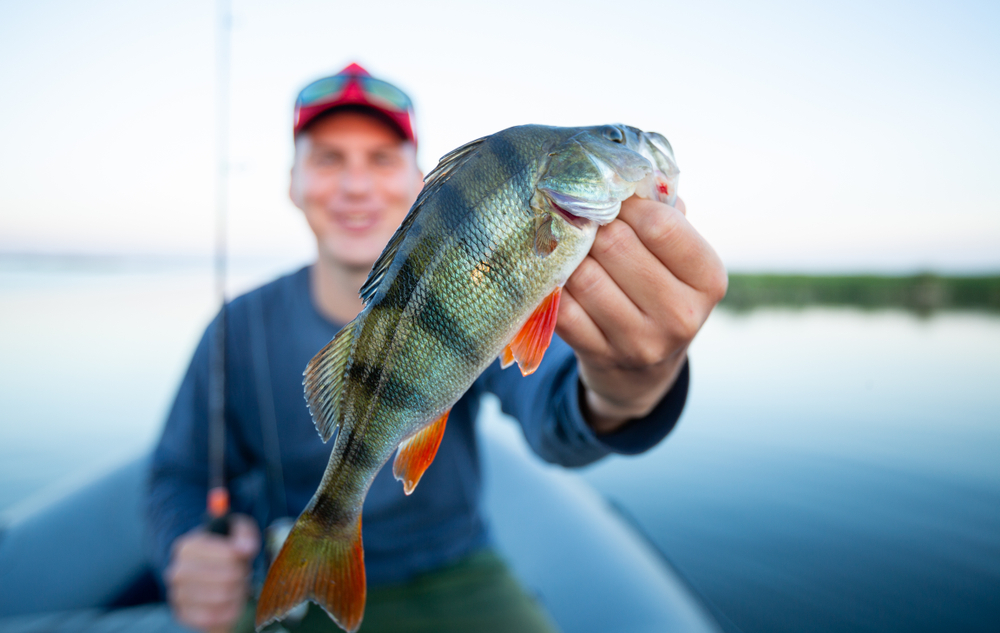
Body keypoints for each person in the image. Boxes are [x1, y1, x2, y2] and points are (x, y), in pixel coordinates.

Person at [146, 62, 727, 633]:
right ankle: (323, 540)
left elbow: (556, 414)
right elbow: (177, 473)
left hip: (458, 569)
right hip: (287, 580)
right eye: (328, 159)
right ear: (291, 183)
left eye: (381, 158)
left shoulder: (510, 269)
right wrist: (186, 545)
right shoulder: (236, 328)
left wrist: (630, 383)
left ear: (418, 177)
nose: (355, 184)